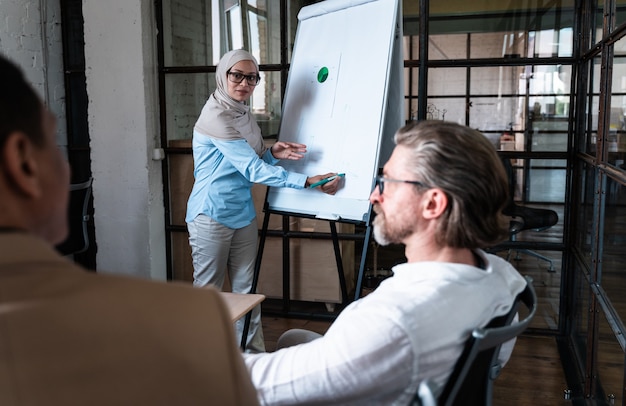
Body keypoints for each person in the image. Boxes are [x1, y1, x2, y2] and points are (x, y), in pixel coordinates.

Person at [0, 54, 258, 405]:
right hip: (212, 216)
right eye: (53, 145)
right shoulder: (165, 320)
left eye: (252, 77)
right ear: (22, 163)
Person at [243, 120, 528, 405]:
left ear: (432, 203)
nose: (374, 196)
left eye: (388, 182)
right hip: (421, 380)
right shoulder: (503, 276)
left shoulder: (393, 321)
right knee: (292, 338)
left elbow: (256, 385)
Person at [186, 49, 340, 353]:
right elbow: (252, 169)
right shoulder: (216, 115)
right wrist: (307, 181)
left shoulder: (243, 112)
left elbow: (252, 160)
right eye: (237, 75)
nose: (245, 83)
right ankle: (202, 362)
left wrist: (273, 153)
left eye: (252, 77)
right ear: (223, 75)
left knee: (248, 293)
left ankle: (253, 357)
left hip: (242, 213)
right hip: (211, 213)